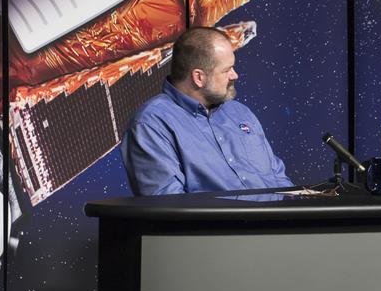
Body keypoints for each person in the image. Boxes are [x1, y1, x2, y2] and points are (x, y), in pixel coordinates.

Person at [122, 27, 290, 195]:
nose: (235, 75)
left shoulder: (241, 113)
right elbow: (167, 205)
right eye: (226, 70)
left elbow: (278, 177)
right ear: (199, 77)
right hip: (220, 221)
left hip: (279, 219)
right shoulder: (152, 124)